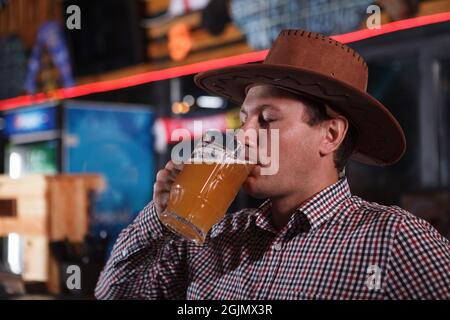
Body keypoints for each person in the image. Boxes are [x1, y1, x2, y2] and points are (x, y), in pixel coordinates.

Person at [95, 29, 449, 299]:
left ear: (330, 135)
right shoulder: (213, 237)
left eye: (267, 119)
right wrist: (159, 218)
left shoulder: (393, 239)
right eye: (244, 120)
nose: (245, 136)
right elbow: (113, 293)